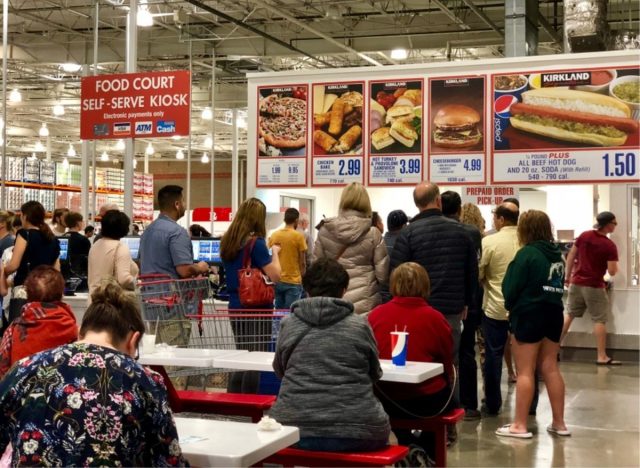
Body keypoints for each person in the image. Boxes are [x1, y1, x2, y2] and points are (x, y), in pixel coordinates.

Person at [0, 279, 187, 466]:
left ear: (80, 332)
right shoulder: (147, 381)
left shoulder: (24, 369)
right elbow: (169, 460)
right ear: (133, 340)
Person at [270, 258, 390, 452]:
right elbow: (374, 373)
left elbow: (280, 370)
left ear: (306, 289)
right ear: (344, 290)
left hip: (293, 427)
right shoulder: (359, 325)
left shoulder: (289, 324)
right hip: (359, 430)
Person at [390, 182, 478, 406]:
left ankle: (417, 410)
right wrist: (468, 302)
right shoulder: (461, 231)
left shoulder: (408, 233)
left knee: (414, 360)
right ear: (438, 200)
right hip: (452, 309)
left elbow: (397, 273)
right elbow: (471, 272)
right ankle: (449, 419)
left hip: (416, 310)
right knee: (451, 363)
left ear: (416, 204)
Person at [368, 262, 455, 460]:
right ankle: (426, 453)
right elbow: (446, 361)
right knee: (450, 397)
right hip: (426, 400)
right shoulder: (435, 318)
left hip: (384, 397)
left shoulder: (375, 315)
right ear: (425, 285)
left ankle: (407, 445)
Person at [497, 210, 569, 439]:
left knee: (525, 371)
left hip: (529, 314)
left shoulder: (526, 254)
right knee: (550, 367)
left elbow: (510, 288)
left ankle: (519, 425)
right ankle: (559, 423)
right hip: (554, 313)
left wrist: (510, 305)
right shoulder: (557, 255)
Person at [221, 197, 281, 393]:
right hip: (256, 307)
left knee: (242, 355)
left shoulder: (227, 241)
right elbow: (276, 275)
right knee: (255, 359)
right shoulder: (257, 243)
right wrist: (276, 253)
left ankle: (233, 400)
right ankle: (248, 402)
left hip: (235, 305)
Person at [314, 182, 388, 315]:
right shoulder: (373, 233)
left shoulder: (325, 230)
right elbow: (382, 276)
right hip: (366, 302)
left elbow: (316, 268)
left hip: (332, 297)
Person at [441, 192, 483, 421]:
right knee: (466, 353)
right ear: (458, 209)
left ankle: (444, 402)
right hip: (464, 303)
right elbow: (473, 270)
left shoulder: (430, 231)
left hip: (437, 301)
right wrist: (470, 300)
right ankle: (468, 405)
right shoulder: (470, 233)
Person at [561, 211, 621, 365]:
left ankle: (553, 349)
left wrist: (567, 277)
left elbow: (571, 256)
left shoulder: (584, 236)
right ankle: (601, 356)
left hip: (576, 283)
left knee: (569, 315)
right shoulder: (609, 245)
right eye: (614, 223)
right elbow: (612, 271)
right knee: (599, 320)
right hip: (594, 286)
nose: (615, 226)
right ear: (607, 224)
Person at [478, 202, 519, 416]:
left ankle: (493, 403)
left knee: (493, 356)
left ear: (502, 220)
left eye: (495, 217)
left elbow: (480, 273)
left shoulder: (489, 242)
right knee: (527, 358)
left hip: (494, 307)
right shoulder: (526, 241)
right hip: (521, 309)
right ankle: (529, 405)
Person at [0, 266, 77, 378]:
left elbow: (3, 369)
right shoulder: (71, 327)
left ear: (28, 295)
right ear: (61, 295)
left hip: (22, 391)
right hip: (59, 392)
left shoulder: (14, 329)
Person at [2, 201, 60, 324]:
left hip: (25, 290)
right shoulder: (53, 239)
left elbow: (14, 265)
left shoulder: (24, 234)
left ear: (25, 216)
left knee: (20, 331)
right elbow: (57, 270)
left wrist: (3, 271)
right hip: (46, 291)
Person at [140, 185, 209, 279]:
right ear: (177, 205)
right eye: (183, 201)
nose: (185, 205)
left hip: (147, 291)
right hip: (170, 291)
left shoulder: (147, 231)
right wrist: (200, 267)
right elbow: (184, 270)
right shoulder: (177, 232)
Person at [88, 210, 139, 297]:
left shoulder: (95, 245)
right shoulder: (120, 247)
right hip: (113, 304)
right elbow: (124, 279)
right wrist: (138, 283)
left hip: (94, 300)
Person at [268, 208, 307, 310]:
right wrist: (303, 277)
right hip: (293, 281)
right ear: (296, 220)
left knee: (278, 312)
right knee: (290, 313)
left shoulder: (274, 235)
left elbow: (270, 256)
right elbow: (302, 261)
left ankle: (277, 326)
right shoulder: (298, 236)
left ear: (285, 219)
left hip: (277, 280)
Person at [63, 211, 91, 276]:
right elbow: (88, 259)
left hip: (65, 273)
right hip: (80, 274)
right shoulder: (83, 240)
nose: (83, 223)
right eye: (82, 221)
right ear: (77, 223)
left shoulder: (62, 237)